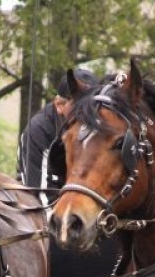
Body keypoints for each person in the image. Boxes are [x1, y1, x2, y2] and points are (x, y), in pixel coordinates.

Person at [17, 68, 99, 205]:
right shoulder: (39, 130)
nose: (88, 113)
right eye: (80, 107)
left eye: (93, 106)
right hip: (44, 211)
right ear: (60, 105)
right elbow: (41, 196)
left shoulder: (98, 130)